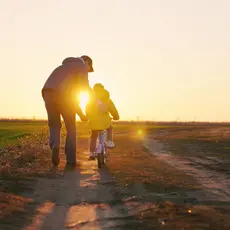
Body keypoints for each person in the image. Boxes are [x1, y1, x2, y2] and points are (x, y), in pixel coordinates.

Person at [41, 55, 94, 166]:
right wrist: (94, 100)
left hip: (47, 93)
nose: (88, 71)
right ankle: (71, 160)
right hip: (63, 95)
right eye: (89, 69)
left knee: (54, 124)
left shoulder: (62, 68)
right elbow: (83, 88)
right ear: (87, 62)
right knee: (71, 126)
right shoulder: (82, 66)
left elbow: (72, 98)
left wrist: (80, 114)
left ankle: (55, 145)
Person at [85, 83, 119, 160]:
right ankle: (109, 141)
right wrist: (116, 117)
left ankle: (91, 153)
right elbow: (113, 109)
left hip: (94, 121)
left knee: (93, 136)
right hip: (104, 121)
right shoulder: (107, 98)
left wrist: (88, 116)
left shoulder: (91, 98)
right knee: (110, 128)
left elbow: (87, 109)